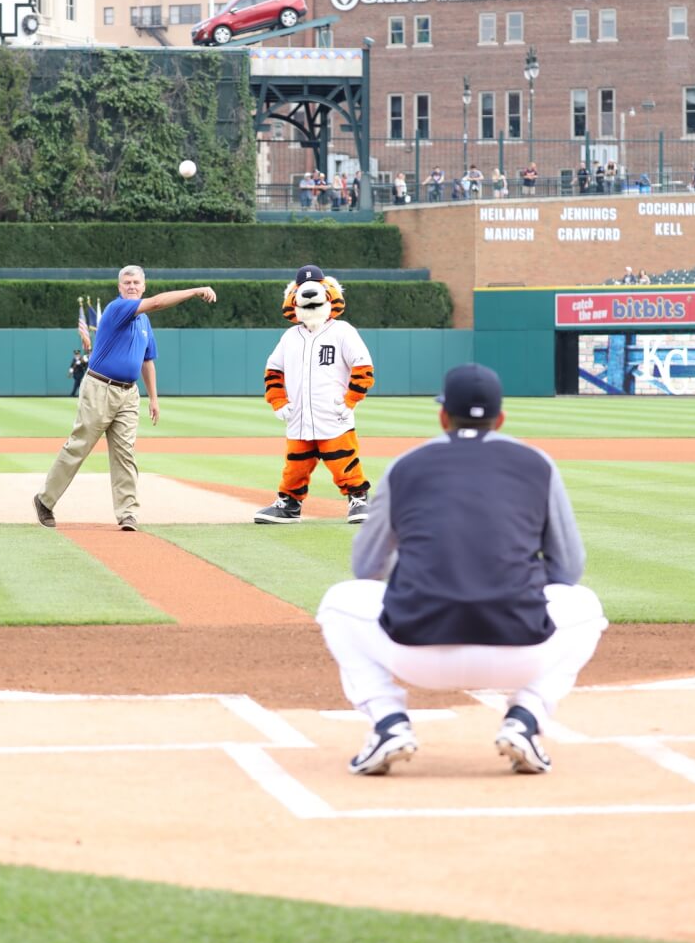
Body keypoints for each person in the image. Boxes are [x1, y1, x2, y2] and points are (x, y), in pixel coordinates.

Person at [317, 362, 607, 777]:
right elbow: (568, 570)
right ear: (501, 418)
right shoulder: (536, 464)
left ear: (441, 415)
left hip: (417, 653)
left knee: (338, 601)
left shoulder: (406, 465)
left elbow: (366, 567)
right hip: (521, 651)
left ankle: (388, 722)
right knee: (585, 604)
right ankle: (527, 718)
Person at [33, 267, 217, 532]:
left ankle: (127, 513)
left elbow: (147, 360)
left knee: (125, 454)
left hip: (129, 393)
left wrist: (153, 398)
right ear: (119, 288)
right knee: (79, 447)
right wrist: (195, 291)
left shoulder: (144, 322)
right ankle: (44, 500)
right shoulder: (117, 308)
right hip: (100, 388)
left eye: (136, 282)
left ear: (143, 286)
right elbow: (156, 303)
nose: (131, 286)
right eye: (127, 282)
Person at [254, 265, 374, 525]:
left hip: (333, 415)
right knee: (295, 465)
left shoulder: (343, 331)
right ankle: (289, 504)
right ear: (293, 298)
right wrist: (278, 401)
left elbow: (363, 368)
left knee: (344, 461)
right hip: (298, 417)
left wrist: (350, 400)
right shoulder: (290, 337)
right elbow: (273, 369)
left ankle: (359, 498)